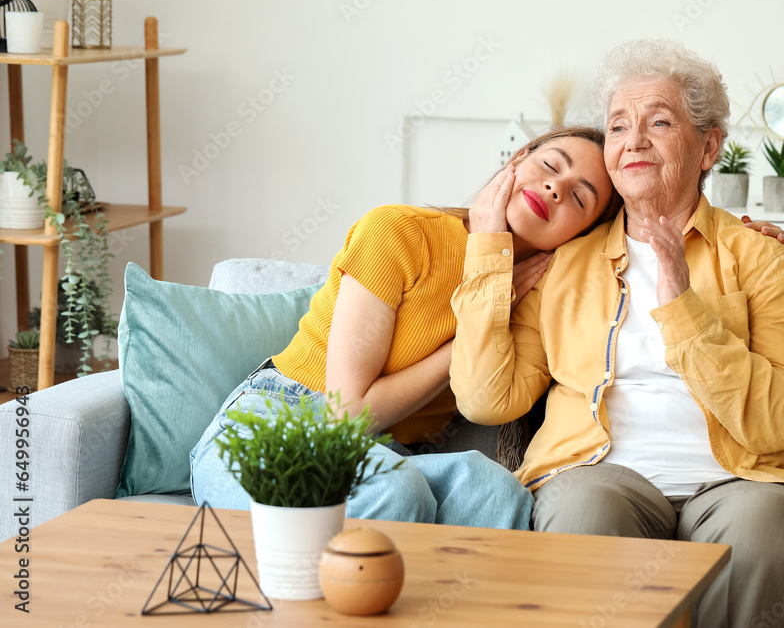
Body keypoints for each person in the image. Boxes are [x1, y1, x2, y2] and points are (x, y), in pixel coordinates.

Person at [450, 39, 784, 627]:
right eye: (618, 126)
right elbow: (486, 400)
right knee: (584, 515)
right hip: (599, 474)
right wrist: (488, 250)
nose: (634, 140)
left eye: (659, 122)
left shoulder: (759, 257)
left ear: (708, 147)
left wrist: (681, 304)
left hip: (741, 481)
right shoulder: (567, 262)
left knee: (761, 529)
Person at [190, 126, 621, 529]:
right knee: (395, 492)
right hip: (280, 423)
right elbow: (348, 413)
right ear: (518, 159)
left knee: (495, 495)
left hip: (387, 455)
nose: (555, 188)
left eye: (580, 198)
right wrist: (472, 329)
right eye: (550, 166)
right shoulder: (399, 231)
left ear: (583, 234)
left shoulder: (540, 299)